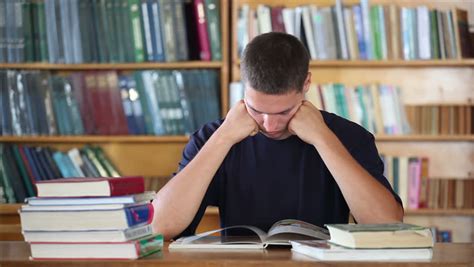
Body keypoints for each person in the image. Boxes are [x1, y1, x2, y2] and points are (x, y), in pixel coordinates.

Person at [152, 32, 403, 240]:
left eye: (284, 111)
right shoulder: (211, 138)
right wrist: (223, 138)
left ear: (306, 84)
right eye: (257, 110)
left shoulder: (349, 137)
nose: (270, 125)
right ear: (243, 86)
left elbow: (388, 226)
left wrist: (323, 139)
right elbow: (159, 227)